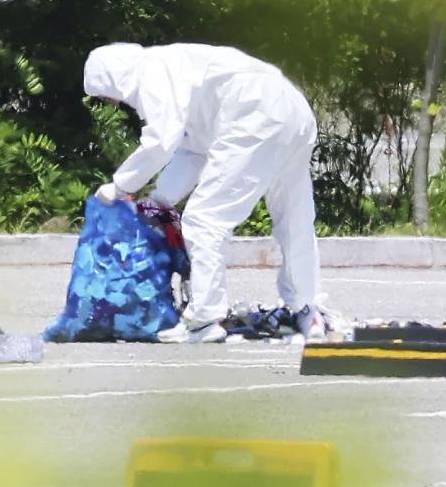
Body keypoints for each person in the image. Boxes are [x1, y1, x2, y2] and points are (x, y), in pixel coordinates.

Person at [83, 42, 329, 342]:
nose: (112, 103)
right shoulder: (179, 68)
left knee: (204, 221)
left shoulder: (152, 75)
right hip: (292, 111)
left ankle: (204, 318)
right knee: (294, 218)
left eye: (105, 95)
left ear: (113, 77)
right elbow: (193, 151)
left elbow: (160, 142)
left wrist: (119, 186)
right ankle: (307, 308)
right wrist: (160, 200)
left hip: (254, 114)